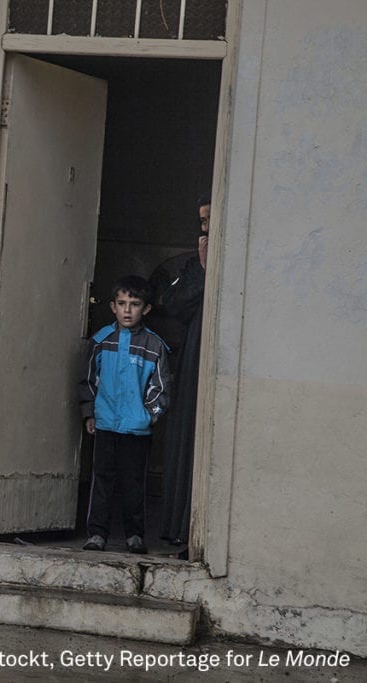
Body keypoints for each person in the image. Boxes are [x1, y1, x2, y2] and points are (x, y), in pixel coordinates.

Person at [78, 275, 171, 554]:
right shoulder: (101, 341)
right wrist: (89, 413)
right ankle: (97, 534)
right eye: (122, 303)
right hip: (105, 424)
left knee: (133, 482)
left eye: (135, 304)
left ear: (147, 309)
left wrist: (149, 416)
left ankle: (134, 535)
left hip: (137, 429)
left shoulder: (154, 346)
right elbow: (88, 380)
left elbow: (162, 387)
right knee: (102, 480)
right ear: (112, 307)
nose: (127, 310)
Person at [157, 194, 210, 555]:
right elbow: (174, 306)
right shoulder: (194, 265)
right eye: (201, 222)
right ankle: (180, 531)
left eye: (209, 221)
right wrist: (204, 268)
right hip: (194, 358)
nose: (203, 229)